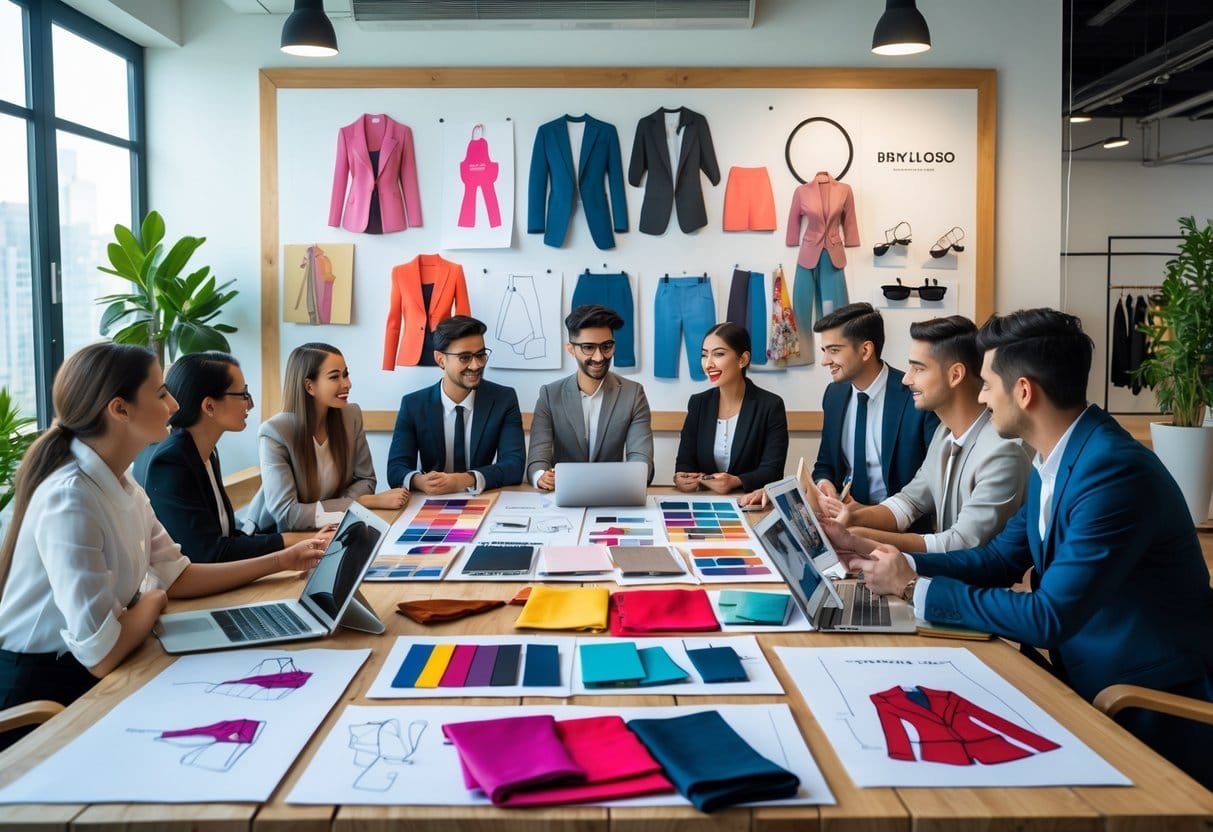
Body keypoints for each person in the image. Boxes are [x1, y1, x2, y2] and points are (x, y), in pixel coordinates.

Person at [825, 309, 1213, 788]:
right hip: (1082, 679)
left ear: (1024, 391)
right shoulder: (1059, 455)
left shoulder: (1112, 472)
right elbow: (998, 560)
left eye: (987, 385)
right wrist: (892, 560)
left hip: (1143, 707)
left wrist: (913, 588)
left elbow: (1049, 617)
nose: (982, 398)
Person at [0, 343, 328, 750]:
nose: (174, 404)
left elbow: (180, 574)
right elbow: (102, 655)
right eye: (159, 393)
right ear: (119, 409)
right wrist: (152, 600)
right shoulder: (71, 498)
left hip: (99, 670)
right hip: (45, 697)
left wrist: (285, 558)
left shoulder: (122, 483)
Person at [818, 316, 1030, 551]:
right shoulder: (943, 433)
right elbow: (908, 503)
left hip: (968, 584)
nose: (907, 379)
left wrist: (857, 538)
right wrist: (851, 517)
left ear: (955, 375)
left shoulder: (1002, 452)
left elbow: (960, 543)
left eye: (918, 368)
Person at [136, 352, 325, 562]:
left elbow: (226, 536)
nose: (249, 403)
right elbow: (209, 553)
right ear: (209, 406)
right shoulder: (172, 462)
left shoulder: (205, 450)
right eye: (243, 394)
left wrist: (301, 541)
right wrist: (290, 542)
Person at [248, 342, 407, 532]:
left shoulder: (351, 415)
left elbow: (366, 479)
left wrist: (346, 505)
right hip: (281, 538)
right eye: (335, 377)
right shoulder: (275, 432)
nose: (347, 384)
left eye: (346, 374)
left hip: (331, 529)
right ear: (309, 386)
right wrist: (360, 503)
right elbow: (287, 515)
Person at [810, 303, 937, 511]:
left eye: (834, 350)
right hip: (843, 520)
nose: (825, 361)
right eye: (824, 350)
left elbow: (931, 479)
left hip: (900, 526)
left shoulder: (915, 396)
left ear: (865, 350)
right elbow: (825, 464)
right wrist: (824, 483)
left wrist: (872, 515)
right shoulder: (834, 395)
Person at [386, 315, 525, 493]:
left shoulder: (504, 399)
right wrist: (419, 481)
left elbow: (514, 466)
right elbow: (396, 469)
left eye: (481, 355)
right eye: (464, 357)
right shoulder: (413, 404)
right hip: (430, 502)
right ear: (440, 359)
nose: (476, 365)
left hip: (483, 498)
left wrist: (465, 479)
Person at [526, 304, 654, 489]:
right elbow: (538, 458)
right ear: (571, 349)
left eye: (606, 347)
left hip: (613, 494)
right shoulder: (549, 395)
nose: (599, 357)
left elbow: (641, 458)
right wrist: (541, 477)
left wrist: (637, 477)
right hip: (562, 496)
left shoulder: (633, 394)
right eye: (588, 347)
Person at [674, 322, 788, 494]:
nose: (708, 364)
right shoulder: (698, 403)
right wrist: (680, 478)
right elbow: (685, 462)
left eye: (718, 354)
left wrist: (736, 481)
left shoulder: (770, 406)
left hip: (750, 501)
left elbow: (773, 471)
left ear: (742, 359)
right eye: (704, 355)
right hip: (705, 502)